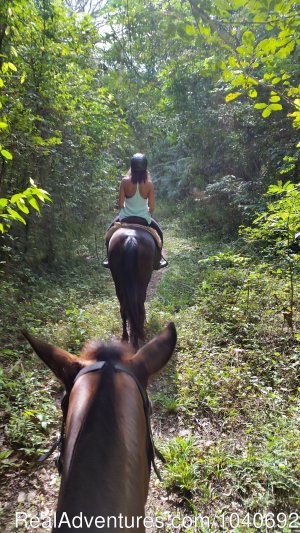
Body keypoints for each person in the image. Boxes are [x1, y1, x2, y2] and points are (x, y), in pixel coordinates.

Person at [102, 153, 168, 268]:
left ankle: (108, 259)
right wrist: (145, 209)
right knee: (160, 234)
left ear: (131, 166)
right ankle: (158, 261)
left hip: (125, 217)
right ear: (145, 168)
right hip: (144, 218)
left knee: (108, 235)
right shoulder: (149, 184)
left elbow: (120, 204)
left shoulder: (124, 181)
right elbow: (152, 208)